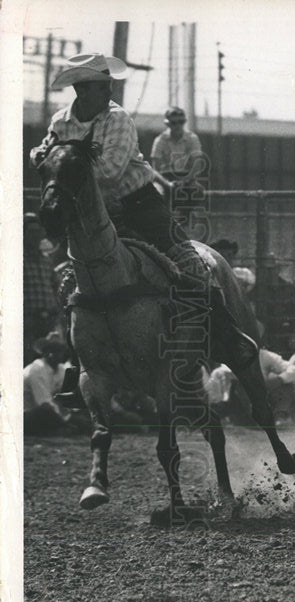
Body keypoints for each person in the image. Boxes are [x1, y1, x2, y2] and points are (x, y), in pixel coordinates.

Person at [29, 53, 256, 406]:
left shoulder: (117, 119)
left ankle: (226, 334)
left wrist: (64, 162)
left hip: (137, 203)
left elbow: (110, 172)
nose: (108, 92)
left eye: (108, 86)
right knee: (69, 281)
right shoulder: (61, 120)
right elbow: (41, 156)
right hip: (91, 213)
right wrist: (50, 158)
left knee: (188, 262)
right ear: (82, 90)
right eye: (102, 87)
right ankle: (79, 365)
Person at [23, 332, 84, 435]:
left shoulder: (61, 370)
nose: (53, 354)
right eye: (49, 350)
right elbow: (44, 403)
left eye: (57, 351)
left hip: (49, 413)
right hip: (26, 414)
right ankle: (62, 428)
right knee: (46, 411)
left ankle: (63, 428)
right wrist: (66, 420)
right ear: (44, 353)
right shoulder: (37, 369)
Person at [23, 213, 59, 365]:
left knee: (50, 361)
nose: (35, 236)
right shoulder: (16, 260)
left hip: (48, 320)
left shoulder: (46, 260)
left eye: (38, 232)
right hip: (28, 321)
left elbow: (55, 286)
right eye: (31, 232)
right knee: (30, 362)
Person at [150, 106, 203, 182]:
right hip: (165, 179)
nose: (178, 126)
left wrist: (185, 181)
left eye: (181, 122)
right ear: (167, 124)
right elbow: (156, 169)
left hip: (188, 179)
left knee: (198, 191)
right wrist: (167, 184)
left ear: (184, 122)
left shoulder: (192, 139)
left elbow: (197, 166)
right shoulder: (160, 140)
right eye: (173, 123)